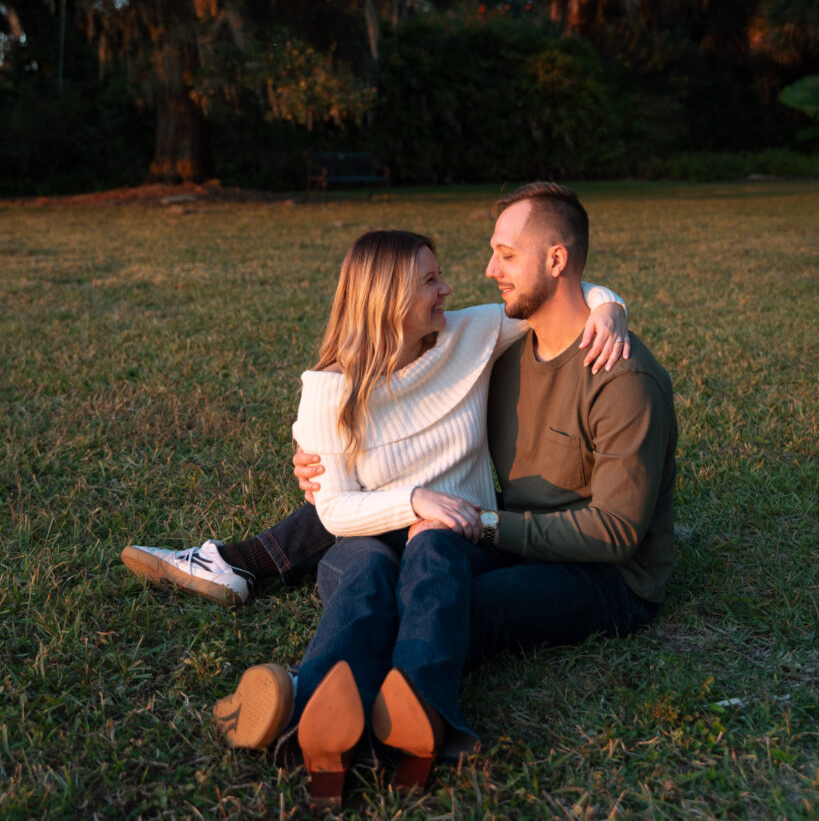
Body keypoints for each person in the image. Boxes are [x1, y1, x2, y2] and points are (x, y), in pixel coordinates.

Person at [121, 222, 628, 808]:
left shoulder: (473, 333)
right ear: (386, 297)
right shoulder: (328, 389)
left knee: (432, 567)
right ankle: (323, 712)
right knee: (363, 582)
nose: (447, 289)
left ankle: (385, 707)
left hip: (458, 539)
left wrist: (610, 310)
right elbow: (331, 508)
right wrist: (414, 499)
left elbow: (564, 297)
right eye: (430, 280)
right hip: (366, 536)